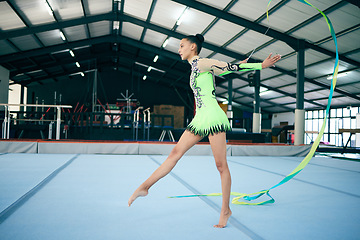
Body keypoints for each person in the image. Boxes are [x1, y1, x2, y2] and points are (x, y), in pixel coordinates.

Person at [128, 34, 281, 228]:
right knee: (175, 153)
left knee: (220, 165)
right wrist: (234, 66)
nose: (179, 49)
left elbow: (230, 68)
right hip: (200, 118)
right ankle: (145, 187)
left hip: (213, 116)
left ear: (193, 47)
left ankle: (225, 210)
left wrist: (261, 65)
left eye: (182, 45)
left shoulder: (202, 62)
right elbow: (225, 71)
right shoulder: (196, 68)